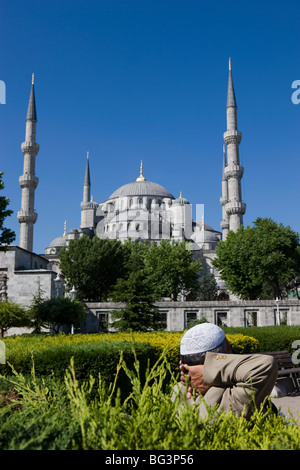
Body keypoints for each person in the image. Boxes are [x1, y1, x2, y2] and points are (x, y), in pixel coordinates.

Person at [172, 322, 278, 420]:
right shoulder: (231, 394)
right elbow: (266, 363)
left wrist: (206, 374)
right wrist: (209, 371)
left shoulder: (177, 390)